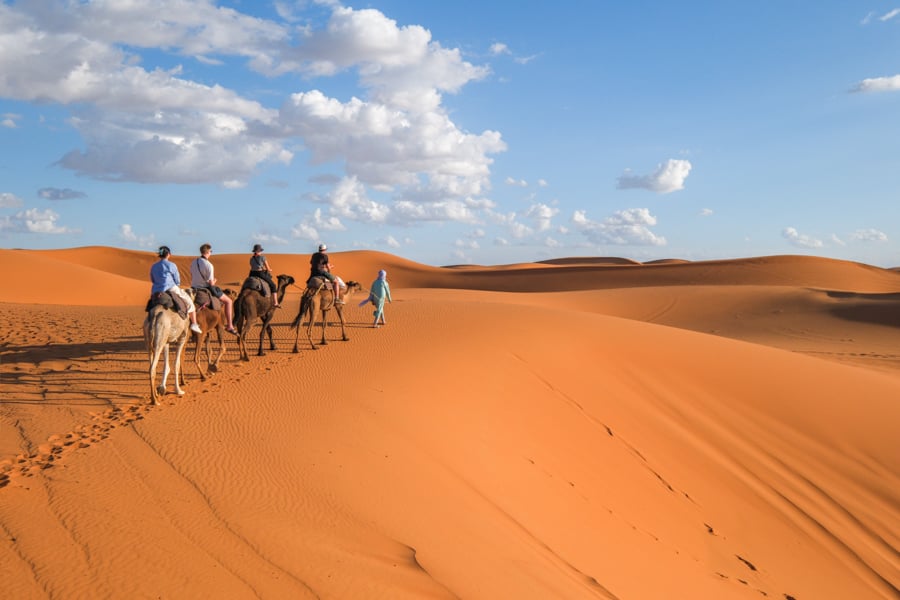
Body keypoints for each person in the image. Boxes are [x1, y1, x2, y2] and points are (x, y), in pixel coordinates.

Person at [151, 246, 203, 334]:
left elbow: (152, 279)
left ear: (159, 255)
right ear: (168, 254)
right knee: (190, 303)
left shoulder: (154, 266)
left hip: (155, 290)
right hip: (170, 288)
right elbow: (177, 280)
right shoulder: (171, 265)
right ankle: (194, 323)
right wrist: (176, 285)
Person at [190, 243, 237, 334]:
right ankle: (230, 326)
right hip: (205, 287)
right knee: (229, 301)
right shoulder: (209, 265)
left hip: (193, 288)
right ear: (208, 252)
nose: (211, 253)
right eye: (211, 251)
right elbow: (211, 283)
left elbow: (192, 275)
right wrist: (214, 281)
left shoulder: (193, 262)